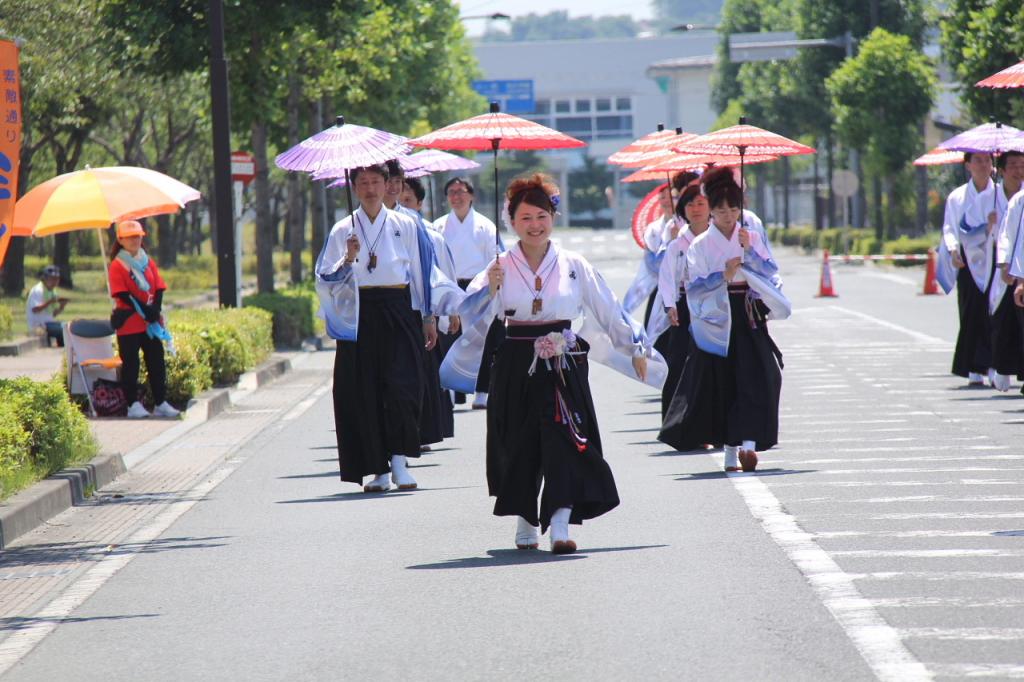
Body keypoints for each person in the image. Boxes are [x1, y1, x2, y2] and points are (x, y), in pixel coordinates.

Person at [457, 173, 653, 554]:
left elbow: (607, 307)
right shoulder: (499, 265)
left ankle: (560, 523)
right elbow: (469, 315)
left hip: (563, 361)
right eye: (526, 218)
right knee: (520, 442)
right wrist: (489, 289)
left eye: (542, 216)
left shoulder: (573, 263)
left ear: (553, 217)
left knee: (567, 439)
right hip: (516, 360)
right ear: (511, 221)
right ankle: (526, 518)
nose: (535, 225)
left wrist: (634, 346)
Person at [315, 164, 462, 493]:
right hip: (360, 313)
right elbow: (325, 278)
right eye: (363, 183)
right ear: (354, 187)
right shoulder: (342, 229)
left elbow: (421, 272)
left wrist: (428, 317)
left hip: (399, 309)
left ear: (386, 185)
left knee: (403, 386)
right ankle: (377, 469)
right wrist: (347, 258)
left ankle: (399, 460)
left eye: (375, 182)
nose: (370, 189)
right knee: (364, 391)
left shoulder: (405, 224)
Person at [658, 167, 789, 472]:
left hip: (748, 314)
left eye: (733, 209)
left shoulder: (749, 235)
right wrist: (724, 274)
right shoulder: (700, 244)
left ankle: (749, 445)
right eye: (721, 210)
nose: (728, 216)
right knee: (724, 382)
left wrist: (751, 252)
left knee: (761, 376)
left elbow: (770, 271)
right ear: (712, 212)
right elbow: (695, 286)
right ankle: (730, 450)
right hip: (717, 318)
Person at [433, 176, 503, 409]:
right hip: (450, 286)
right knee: (450, 338)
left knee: (481, 339)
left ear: (471, 195)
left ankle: (482, 390)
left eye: (461, 191)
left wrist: (488, 287)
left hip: (479, 286)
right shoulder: (438, 226)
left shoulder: (486, 226)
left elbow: (495, 259)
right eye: (451, 192)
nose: (456, 196)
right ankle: (453, 390)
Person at [400, 173, 460, 443]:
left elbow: (442, 270)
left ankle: (427, 427)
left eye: (408, 199)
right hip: (394, 306)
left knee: (427, 372)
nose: (402, 203)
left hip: (424, 308)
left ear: (419, 203)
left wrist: (449, 309)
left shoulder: (428, 233)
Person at [941, 152, 1007, 387]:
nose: (983, 165)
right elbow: (950, 228)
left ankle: (993, 364)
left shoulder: (1000, 194)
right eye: (977, 160)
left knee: (994, 311)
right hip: (968, 260)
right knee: (970, 312)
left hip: (994, 258)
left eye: (987, 160)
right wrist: (953, 250)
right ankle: (972, 367)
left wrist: (995, 225)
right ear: (968, 165)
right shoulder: (957, 197)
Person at [108, 220, 179, 419]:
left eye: (137, 236)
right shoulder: (117, 265)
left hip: (150, 324)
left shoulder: (147, 261)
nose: (134, 240)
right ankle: (132, 404)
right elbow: (122, 294)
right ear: (120, 240)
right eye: (129, 237)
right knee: (131, 365)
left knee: (157, 362)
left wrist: (154, 309)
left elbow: (159, 287)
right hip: (129, 323)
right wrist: (144, 310)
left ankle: (160, 402)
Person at [655, 184, 711, 419]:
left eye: (700, 203)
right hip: (684, 308)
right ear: (683, 209)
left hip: (713, 308)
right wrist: (670, 305)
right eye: (690, 204)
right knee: (678, 363)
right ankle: (675, 419)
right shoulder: (677, 244)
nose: (696, 209)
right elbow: (666, 278)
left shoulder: (717, 238)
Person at [991, 151, 1024, 392]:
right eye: (1013, 165)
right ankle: (1002, 368)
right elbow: (1010, 237)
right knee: (1006, 323)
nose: (1018, 170)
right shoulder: (1019, 202)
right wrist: (1005, 264)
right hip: (1015, 272)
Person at [25, 265, 68, 347]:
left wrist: (62, 306)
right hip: (39, 325)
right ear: (44, 278)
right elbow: (35, 309)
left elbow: (52, 314)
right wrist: (50, 302)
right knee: (64, 329)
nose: (55, 281)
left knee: (68, 326)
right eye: (52, 279)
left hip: (49, 323)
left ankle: (62, 347)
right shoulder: (38, 290)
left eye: (57, 279)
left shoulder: (52, 291)